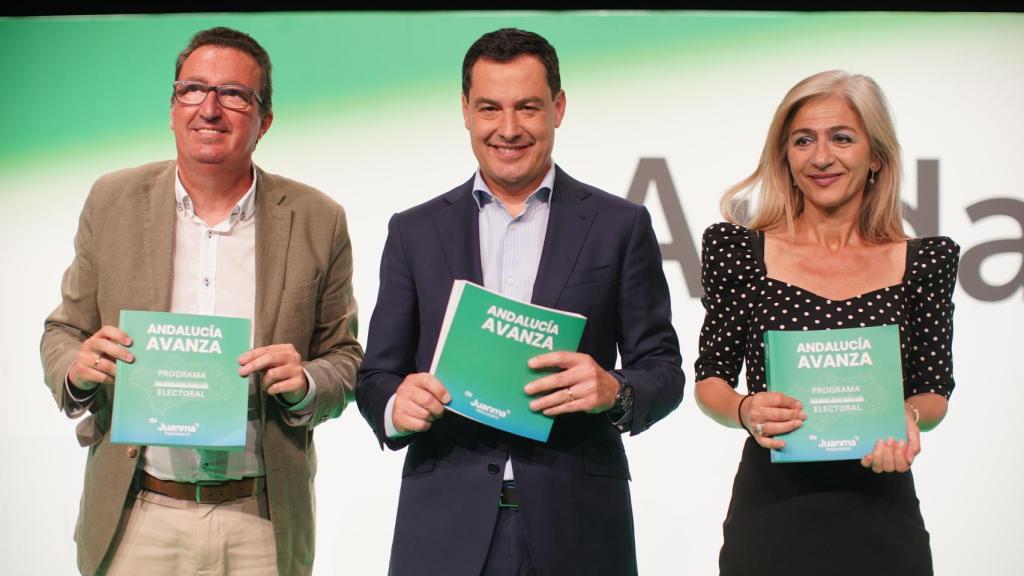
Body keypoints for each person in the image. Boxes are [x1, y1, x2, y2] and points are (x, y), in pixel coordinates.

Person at [355, 28, 684, 576]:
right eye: (490, 108)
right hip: (443, 529)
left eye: (528, 107)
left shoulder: (619, 226)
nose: (508, 129)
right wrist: (396, 405)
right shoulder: (414, 231)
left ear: (558, 107)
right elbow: (376, 375)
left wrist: (614, 390)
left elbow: (663, 369)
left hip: (579, 525)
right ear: (465, 110)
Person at [40, 27, 362, 576]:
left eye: (235, 95)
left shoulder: (316, 218)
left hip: (260, 518)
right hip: (137, 511)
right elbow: (63, 329)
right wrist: (77, 366)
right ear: (172, 108)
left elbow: (345, 358)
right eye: (193, 89)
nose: (210, 109)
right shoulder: (111, 200)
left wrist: (305, 381)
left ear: (264, 121)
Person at [694, 70, 959, 575]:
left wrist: (908, 418)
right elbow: (711, 381)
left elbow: (934, 391)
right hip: (770, 513)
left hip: (882, 507)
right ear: (785, 157)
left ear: (876, 155)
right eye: (803, 141)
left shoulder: (924, 261)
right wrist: (746, 410)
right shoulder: (740, 251)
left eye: (841, 138)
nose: (820, 158)